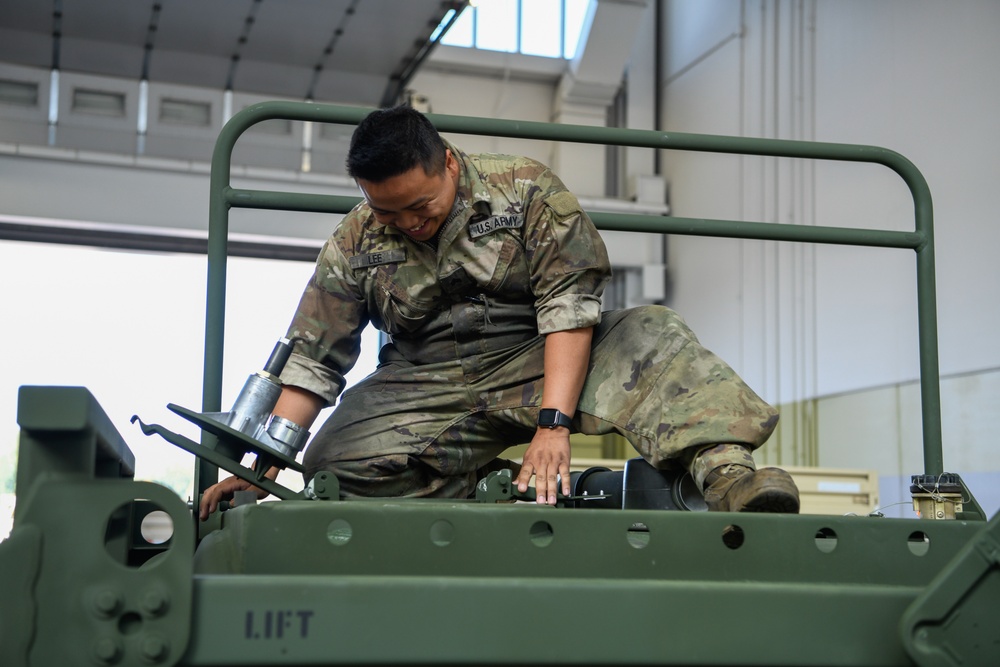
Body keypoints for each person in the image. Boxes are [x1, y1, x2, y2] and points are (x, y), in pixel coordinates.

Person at [199, 105, 799, 520]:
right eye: (388, 212)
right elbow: (313, 362)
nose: (409, 222)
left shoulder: (527, 191)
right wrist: (262, 472)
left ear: (450, 165)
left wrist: (553, 425)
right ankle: (492, 491)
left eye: (420, 205)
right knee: (333, 462)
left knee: (652, 335)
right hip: (424, 381)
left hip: (539, 356)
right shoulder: (354, 241)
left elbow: (568, 309)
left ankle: (728, 478)